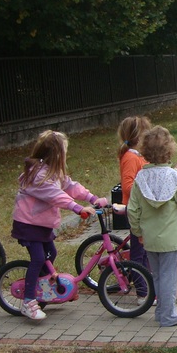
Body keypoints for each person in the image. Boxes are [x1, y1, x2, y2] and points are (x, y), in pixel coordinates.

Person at [11, 130, 107, 320]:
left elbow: (71, 186)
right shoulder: (38, 175)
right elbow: (56, 195)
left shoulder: (53, 172)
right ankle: (28, 301)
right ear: (56, 155)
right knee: (38, 258)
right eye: (64, 151)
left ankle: (47, 289)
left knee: (51, 254)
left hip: (41, 224)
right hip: (28, 224)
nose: (66, 156)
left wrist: (92, 198)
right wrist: (78, 208)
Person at [127, 126, 177, 327]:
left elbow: (133, 210)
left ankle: (161, 312)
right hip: (171, 237)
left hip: (149, 236)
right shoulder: (174, 176)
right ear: (169, 150)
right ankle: (169, 316)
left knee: (157, 275)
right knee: (169, 278)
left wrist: (138, 232)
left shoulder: (140, 178)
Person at [117, 115, 152, 269]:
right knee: (139, 251)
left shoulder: (140, 156)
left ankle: (147, 280)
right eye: (147, 134)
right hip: (136, 210)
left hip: (143, 209)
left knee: (147, 249)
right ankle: (142, 288)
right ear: (138, 137)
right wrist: (147, 191)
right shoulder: (131, 158)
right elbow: (127, 186)